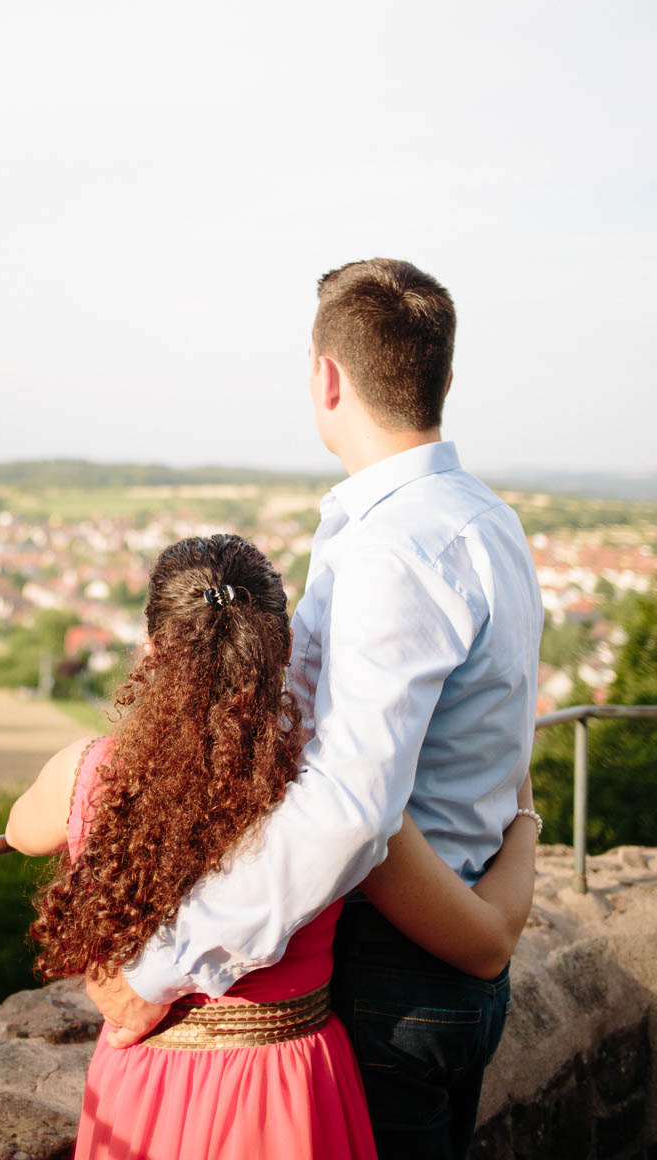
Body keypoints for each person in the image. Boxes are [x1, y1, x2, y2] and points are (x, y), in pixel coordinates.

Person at [85, 259, 545, 1160]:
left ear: (325, 377)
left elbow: (349, 806)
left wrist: (165, 968)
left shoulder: (393, 548)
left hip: (392, 977)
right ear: (442, 378)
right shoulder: (486, 518)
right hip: (455, 954)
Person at [7, 532, 538, 1160]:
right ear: (283, 650)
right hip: (285, 1085)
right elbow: (482, 941)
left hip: (142, 1076)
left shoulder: (84, 772)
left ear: (152, 650)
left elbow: (20, 831)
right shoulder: (327, 802)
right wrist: (524, 812)